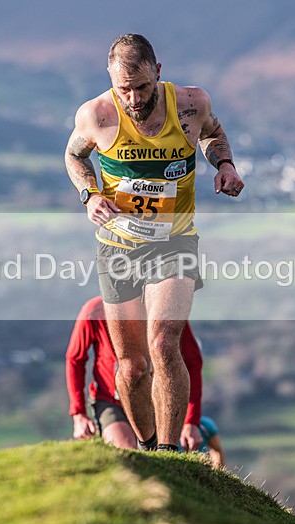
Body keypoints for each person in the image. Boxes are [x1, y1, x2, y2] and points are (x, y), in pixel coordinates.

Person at [64, 34, 244, 452]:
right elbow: (75, 156)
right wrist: (90, 195)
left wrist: (226, 165)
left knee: (162, 344)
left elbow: (213, 133)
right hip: (118, 246)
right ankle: (148, 449)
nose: (132, 97)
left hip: (174, 242)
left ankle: (170, 450)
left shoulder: (191, 103)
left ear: (158, 72)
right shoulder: (96, 114)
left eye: (141, 86)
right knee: (130, 367)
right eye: (123, 88)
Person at [65, 296, 204, 451]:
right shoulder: (94, 311)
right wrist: (78, 414)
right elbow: (75, 359)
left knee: (160, 454)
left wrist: (191, 422)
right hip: (111, 401)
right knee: (126, 451)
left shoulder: (166, 310)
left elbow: (193, 361)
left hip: (156, 401)